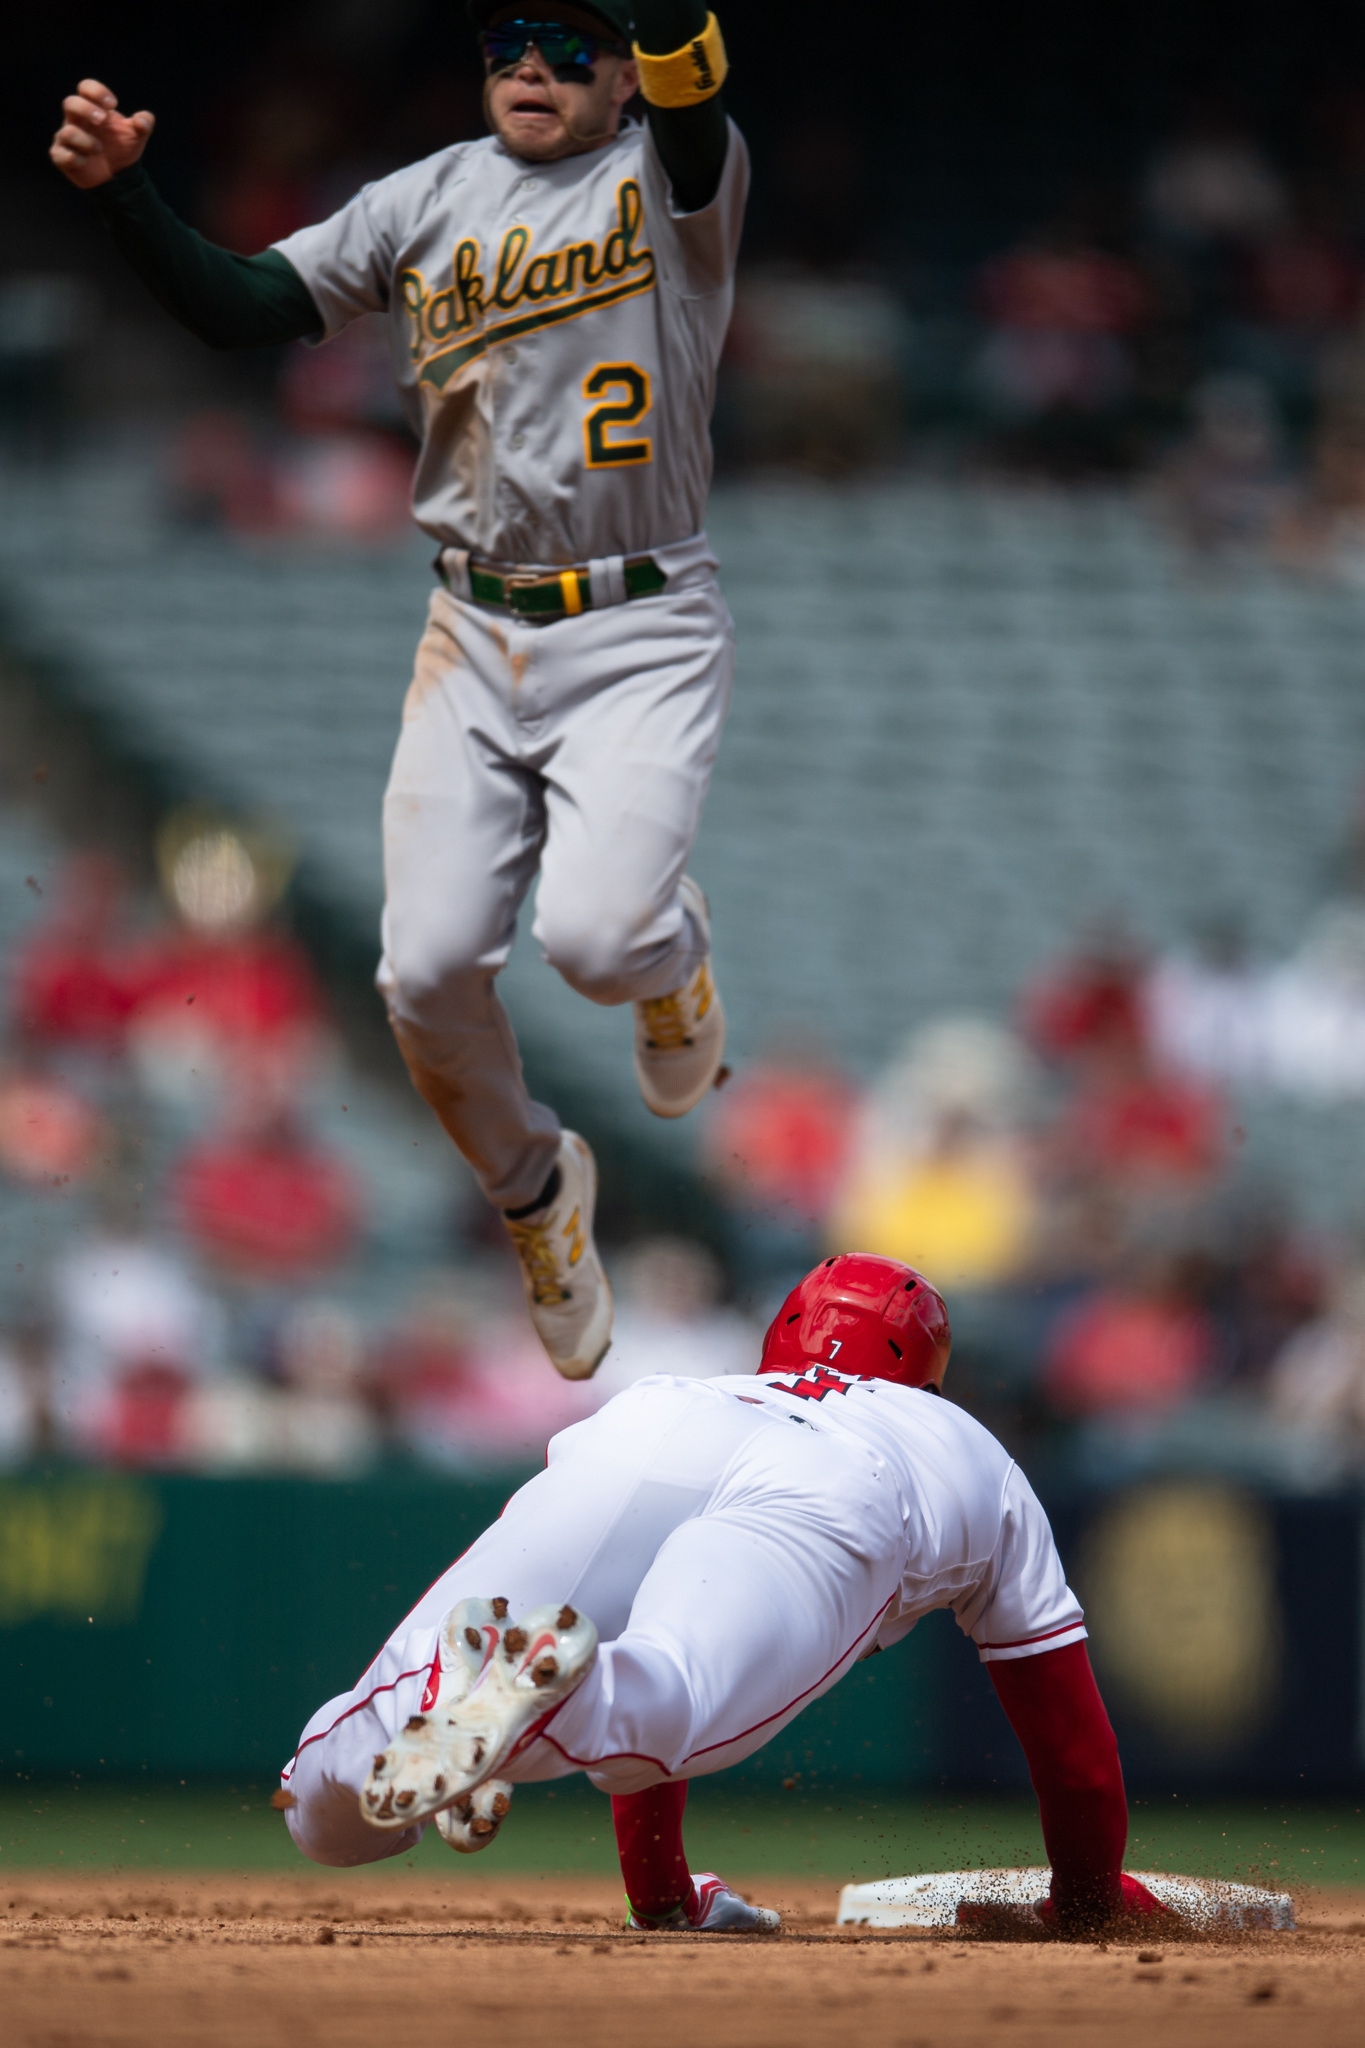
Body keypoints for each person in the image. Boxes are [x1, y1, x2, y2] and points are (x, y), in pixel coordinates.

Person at [51, 0, 747, 1382]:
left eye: (569, 48)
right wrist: (127, 196)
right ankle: (538, 1195)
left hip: (638, 614)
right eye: (510, 47)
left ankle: (671, 964)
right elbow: (243, 306)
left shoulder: (676, 184)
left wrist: (658, 45)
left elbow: (690, 80)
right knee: (422, 975)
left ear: (625, 75)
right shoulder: (423, 197)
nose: (533, 71)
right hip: (473, 626)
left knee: (599, 941)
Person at [276, 1253, 1167, 1937]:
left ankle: (414, 1721)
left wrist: (666, 1899)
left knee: (338, 1810)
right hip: (833, 1486)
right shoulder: (961, 1442)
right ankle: (527, 1707)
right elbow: (1069, 1743)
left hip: (645, 1434)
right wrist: (1087, 1897)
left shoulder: (702, 1381)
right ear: (927, 1374)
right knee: (667, 1692)